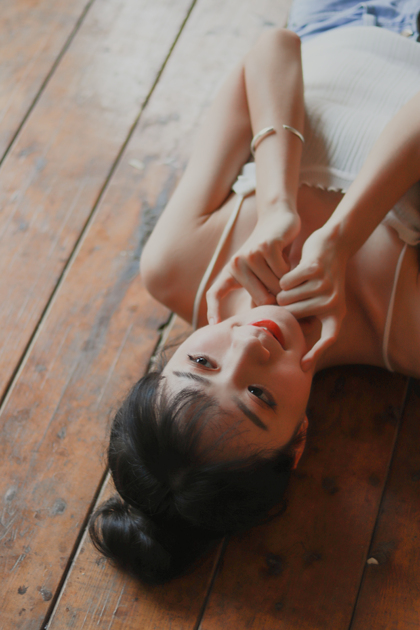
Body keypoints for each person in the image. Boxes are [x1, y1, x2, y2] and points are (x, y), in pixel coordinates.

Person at [89, 0, 420, 585]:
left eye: (200, 363)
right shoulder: (405, 331)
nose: (249, 347)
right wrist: (341, 238)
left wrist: (276, 205)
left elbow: (273, 50)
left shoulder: (175, 265)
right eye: (259, 397)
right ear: (297, 442)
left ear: (166, 360)